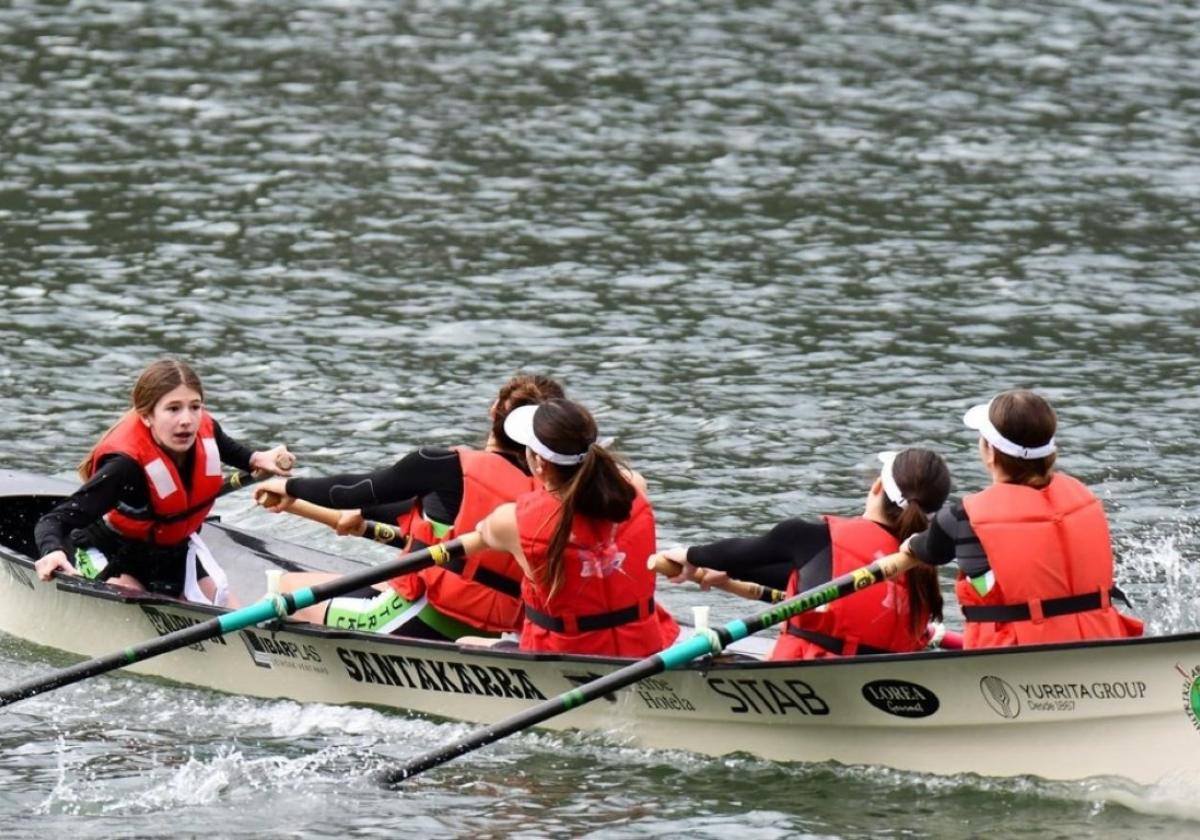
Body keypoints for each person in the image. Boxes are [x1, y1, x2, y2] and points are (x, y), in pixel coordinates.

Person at [256, 374, 564, 641]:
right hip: (496, 631)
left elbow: (350, 492)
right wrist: (365, 514)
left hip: (420, 618)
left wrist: (287, 486)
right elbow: (441, 515)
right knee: (372, 582)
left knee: (285, 585)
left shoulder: (443, 465)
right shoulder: (553, 491)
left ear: (493, 411)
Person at [33, 358, 293, 605]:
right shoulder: (125, 467)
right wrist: (52, 552)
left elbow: (236, 453)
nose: (187, 419)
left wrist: (259, 458)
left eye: (195, 406)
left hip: (174, 552)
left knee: (230, 607)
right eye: (173, 408)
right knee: (132, 598)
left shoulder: (205, 431)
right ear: (147, 416)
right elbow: (53, 520)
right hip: (116, 554)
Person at [896, 389, 1144, 648]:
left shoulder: (961, 518)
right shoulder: (1083, 498)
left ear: (990, 452)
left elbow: (929, 549)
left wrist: (910, 544)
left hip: (1015, 658)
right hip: (1103, 642)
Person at [649, 449, 952, 659]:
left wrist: (688, 555)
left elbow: (740, 552)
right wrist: (725, 578)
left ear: (876, 487)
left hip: (809, 669)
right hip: (888, 685)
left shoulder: (811, 537)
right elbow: (807, 582)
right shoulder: (922, 564)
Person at [470, 398, 680, 657]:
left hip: (563, 656)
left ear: (539, 463)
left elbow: (483, 530)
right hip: (645, 648)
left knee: (468, 641)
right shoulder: (635, 489)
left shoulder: (510, 521)